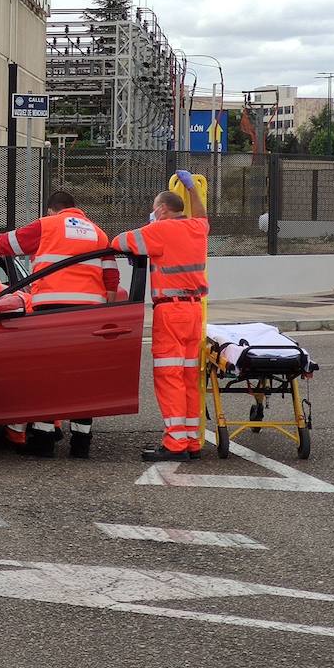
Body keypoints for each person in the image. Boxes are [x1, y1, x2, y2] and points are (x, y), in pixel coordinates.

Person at [0, 190, 119, 459]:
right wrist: (106, 312)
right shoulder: (98, 233)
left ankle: (43, 441)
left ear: (52, 210)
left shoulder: (48, 225)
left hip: (52, 311)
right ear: (76, 209)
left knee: (50, 375)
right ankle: (81, 445)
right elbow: (111, 278)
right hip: (89, 316)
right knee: (82, 378)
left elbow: (7, 243)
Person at [111, 172, 209, 461]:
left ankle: (175, 443)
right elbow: (202, 215)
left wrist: (151, 225)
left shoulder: (159, 231)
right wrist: (192, 188)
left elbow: (118, 242)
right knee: (190, 376)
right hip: (194, 311)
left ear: (163, 209)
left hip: (171, 311)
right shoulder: (196, 228)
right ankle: (191, 442)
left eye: (155, 207)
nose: (153, 211)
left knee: (169, 376)